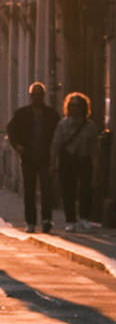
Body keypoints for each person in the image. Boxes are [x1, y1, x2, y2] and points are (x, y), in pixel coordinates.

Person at [5, 81, 57, 233]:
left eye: (40, 95)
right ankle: (31, 222)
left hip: (46, 157)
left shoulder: (51, 115)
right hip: (28, 157)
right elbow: (11, 129)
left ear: (44, 96)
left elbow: (58, 134)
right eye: (34, 95)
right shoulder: (22, 114)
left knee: (47, 190)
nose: (37, 98)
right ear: (30, 96)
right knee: (29, 191)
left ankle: (46, 220)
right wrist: (18, 146)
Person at [51, 91, 100, 230]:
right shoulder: (63, 124)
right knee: (68, 190)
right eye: (71, 105)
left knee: (85, 189)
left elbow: (94, 145)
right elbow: (56, 143)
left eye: (77, 105)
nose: (74, 108)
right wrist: (53, 161)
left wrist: (96, 162)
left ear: (83, 107)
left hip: (84, 158)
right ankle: (70, 220)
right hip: (67, 158)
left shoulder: (89, 125)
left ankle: (84, 217)